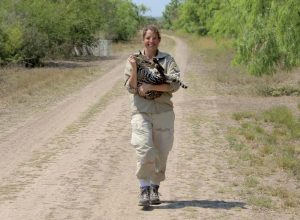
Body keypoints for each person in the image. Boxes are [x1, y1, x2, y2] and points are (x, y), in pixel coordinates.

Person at [124, 25, 181, 206]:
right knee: (144, 148)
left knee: (162, 152)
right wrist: (134, 69)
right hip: (141, 111)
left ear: (159, 40)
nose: (151, 41)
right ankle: (143, 188)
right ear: (143, 39)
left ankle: (155, 187)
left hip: (163, 112)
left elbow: (174, 84)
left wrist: (150, 87)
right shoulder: (134, 59)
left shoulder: (167, 60)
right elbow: (130, 88)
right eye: (148, 38)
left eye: (154, 38)